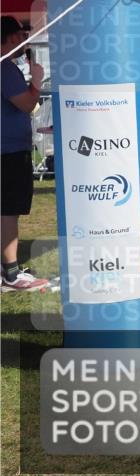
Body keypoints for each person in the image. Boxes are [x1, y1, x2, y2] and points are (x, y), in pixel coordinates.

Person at [1, 17, 49, 291]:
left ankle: (6, 269)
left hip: (8, 149)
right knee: (8, 211)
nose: (26, 40)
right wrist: (37, 82)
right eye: (22, 34)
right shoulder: (6, 69)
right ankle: (11, 273)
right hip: (8, 151)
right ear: (10, 38)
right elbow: (27, 104)